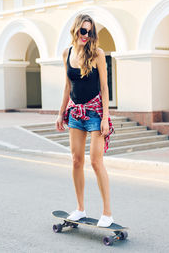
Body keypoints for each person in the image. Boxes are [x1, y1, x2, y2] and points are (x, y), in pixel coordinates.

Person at [55, 14, 114, 227]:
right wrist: (61, 113)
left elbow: (105, 88)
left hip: (95, 113)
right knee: (76, 161)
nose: (86, 35)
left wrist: (105, 118)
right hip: (75, 114)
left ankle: (107, 213)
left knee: (96, 162)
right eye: (83, 31)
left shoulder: (97, 54)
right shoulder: (66, 53)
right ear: (76, 29)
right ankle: (80, 209)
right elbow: (67, 86)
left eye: (90, 32)